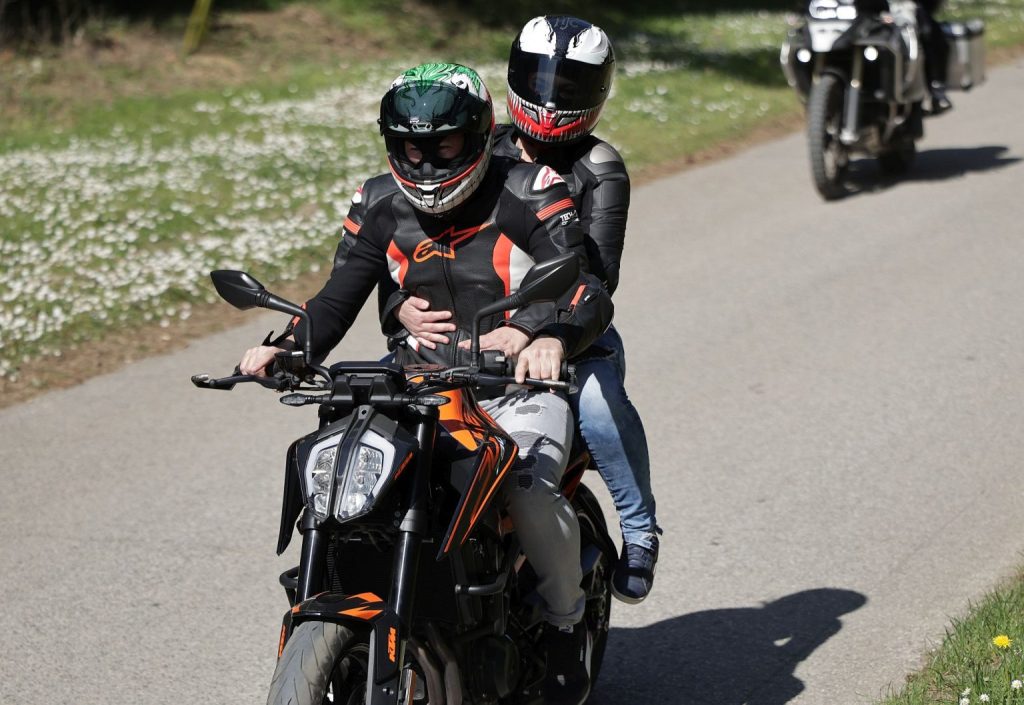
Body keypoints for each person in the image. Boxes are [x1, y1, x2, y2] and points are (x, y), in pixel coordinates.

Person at [239, 62, 612, 705]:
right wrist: (287, 349)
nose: (427, 162)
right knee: (336, 473)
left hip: (516, 389)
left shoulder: (531, 189)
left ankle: (562, 621)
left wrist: (543, 335)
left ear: (479, 135)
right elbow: (336, 299)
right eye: (411, 147)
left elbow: (584, 285)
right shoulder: (377, 201)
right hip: (416, 387)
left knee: (526, 487)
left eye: (443, 144)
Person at [392, 16, 661, 605]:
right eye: (539, 79)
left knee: (600, 408)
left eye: (568, 86)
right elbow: (418, 244)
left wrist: (548, 334)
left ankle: (640, 531)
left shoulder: (601, 168)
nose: (549, 98)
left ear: (597, 91)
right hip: (478, 333)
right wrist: (398, 304)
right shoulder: (479, 144)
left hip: (573, 333)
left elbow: (597, 275)